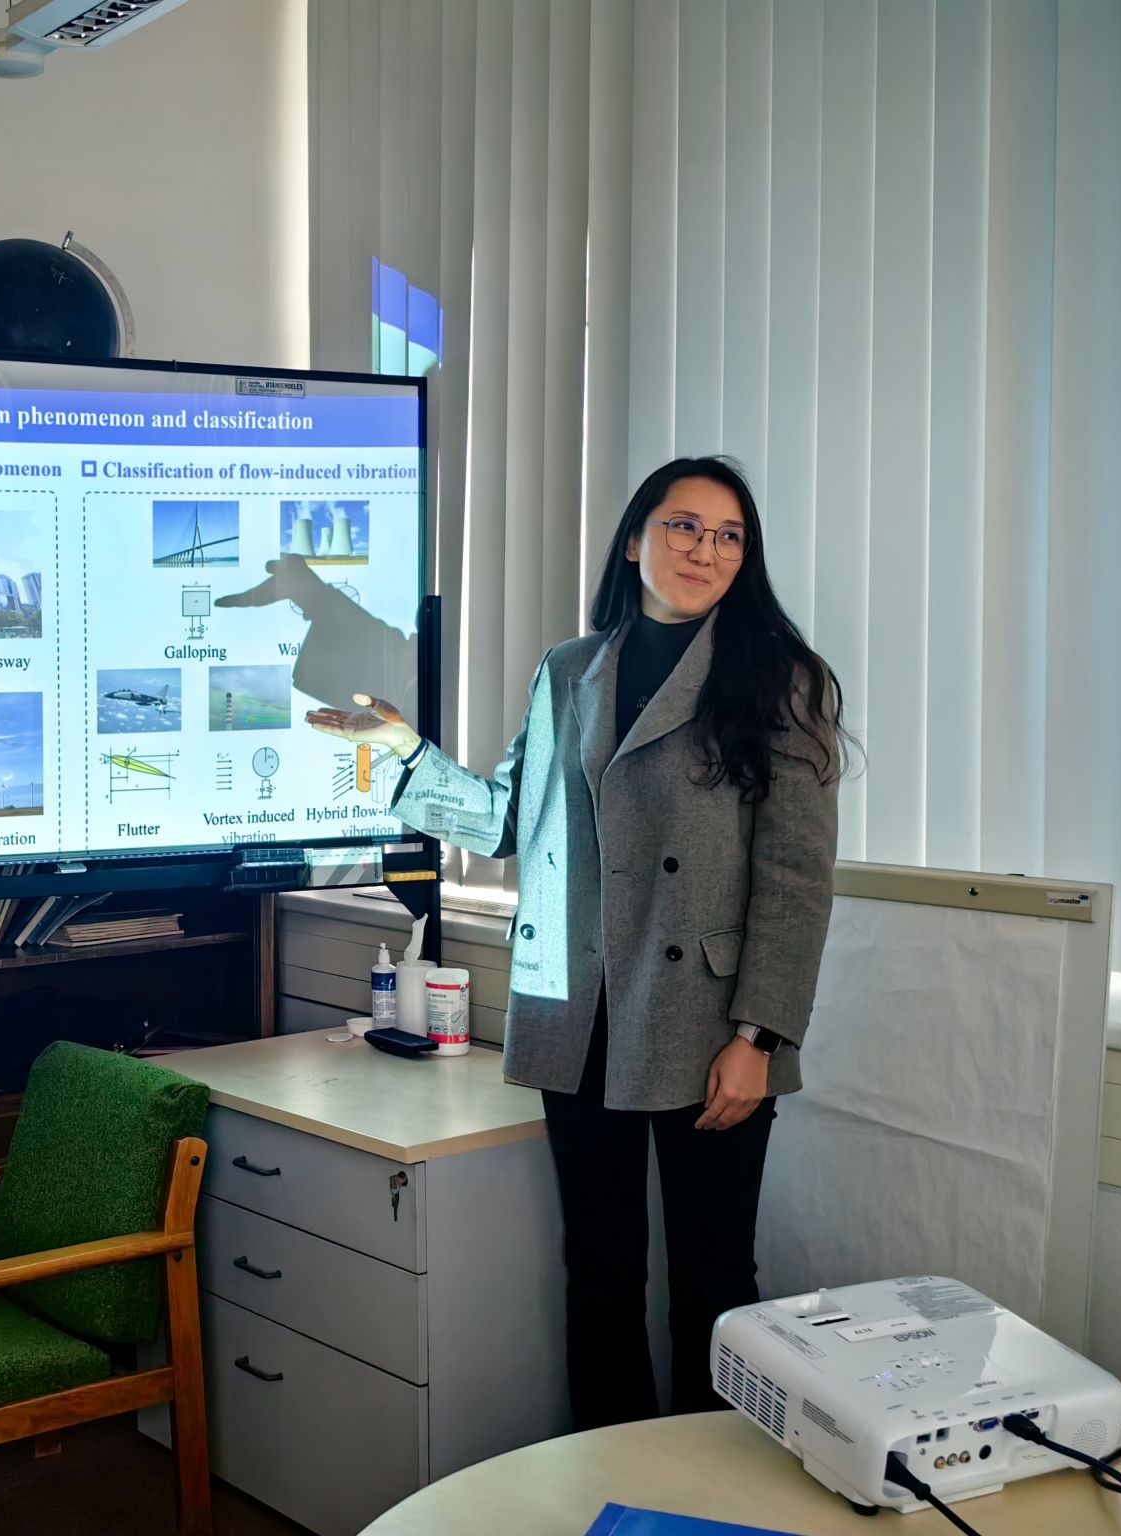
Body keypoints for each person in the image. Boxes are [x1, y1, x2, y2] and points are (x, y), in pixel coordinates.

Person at [309, 456, 848, 1430]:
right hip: (579, 1012)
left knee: (714, 1278)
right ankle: (606, 1474)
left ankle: (713, 1485)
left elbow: (796, 879)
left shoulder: (779, 678)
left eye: (728, 535)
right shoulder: (570, 669)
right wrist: (402, 751)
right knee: (597, 1271)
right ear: (635, 538)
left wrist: (759, 1038)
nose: (705, 550)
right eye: (684, 526)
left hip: (710, 1023)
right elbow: (503, 819)